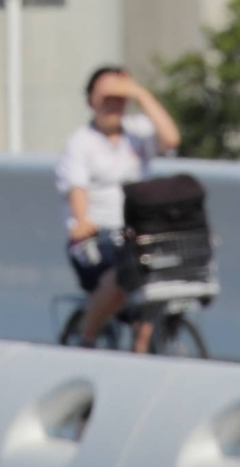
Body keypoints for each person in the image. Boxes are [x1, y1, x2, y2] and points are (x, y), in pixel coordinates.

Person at [55, 65, 181, 352]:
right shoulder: (81, 143)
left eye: (119, 97)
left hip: (135, 233)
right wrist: (82, 220)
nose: (114, 103)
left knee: (155, 288)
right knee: (120, 275)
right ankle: (86, 337)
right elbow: (77, 187)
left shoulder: (137, 133)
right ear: (91, 101)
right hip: (96, 238)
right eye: (106, 97)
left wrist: (140, 93)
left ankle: (141, 351)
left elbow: (171, 138)